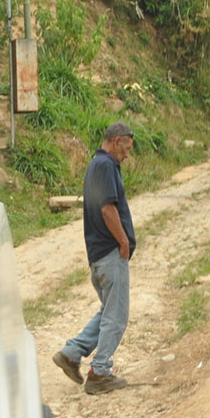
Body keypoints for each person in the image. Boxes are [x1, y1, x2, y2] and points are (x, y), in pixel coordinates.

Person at [52, 122, 136, 394]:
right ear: (116, 141)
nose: (127, 154)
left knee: (107, 312)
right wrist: (123, 241)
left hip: (99, 255)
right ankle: (100, 372)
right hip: (110, 254)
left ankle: (71, 353)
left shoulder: (96, 165)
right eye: (126, 148)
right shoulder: (106, 166)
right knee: (116, 316)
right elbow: (107, 209)